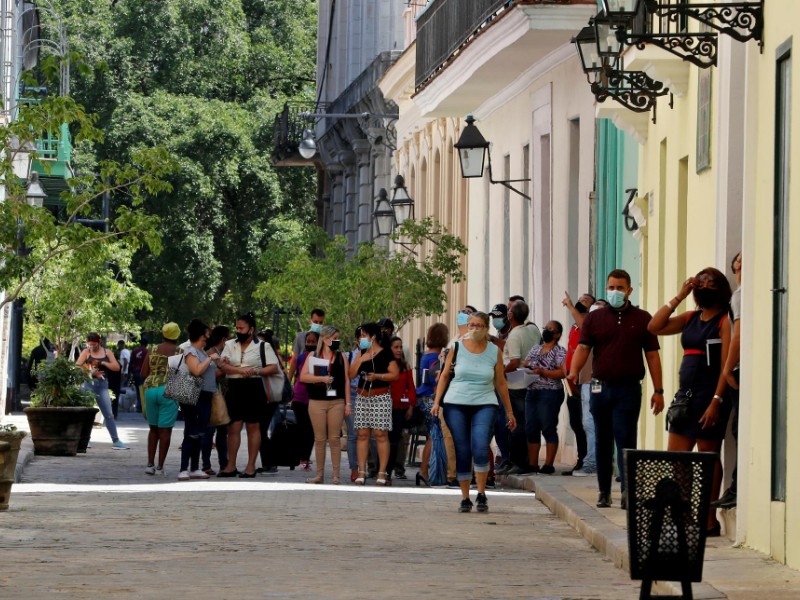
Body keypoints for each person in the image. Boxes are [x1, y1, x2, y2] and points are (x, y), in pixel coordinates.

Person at [568, 269, 664, 510]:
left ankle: (627, 492)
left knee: (626, 439)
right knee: (602, 440)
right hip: (601, 388)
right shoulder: (594, 319)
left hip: (629, 389)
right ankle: (603, 491)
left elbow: (652, 356)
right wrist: (573, 371)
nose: (615, 292)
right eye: (611, 287)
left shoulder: (643, 318)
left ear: (629, 290)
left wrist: (659, 390)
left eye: (620, 288)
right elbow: (583, 348)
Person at [647, 267, 733, 535]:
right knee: (678, 459)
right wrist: (680, 295)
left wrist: (717, 400)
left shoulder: (724, 321)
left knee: (708, 459)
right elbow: (654, 326)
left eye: (711, 282)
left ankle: (708, 519)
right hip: (685, 398)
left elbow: (725, 364)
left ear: (721, 288)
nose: (705, 285)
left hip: (710, 397)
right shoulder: (691, 317)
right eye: (701, 281)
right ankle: (684, 513)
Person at [432, 312, 517, 513]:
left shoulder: (493, 351)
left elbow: (501, 382)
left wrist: (510, 412)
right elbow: (444, 375)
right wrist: (437, 402)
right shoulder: (457, 347)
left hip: (485, 402)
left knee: (480, 445)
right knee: (462, 448)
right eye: (471, 325)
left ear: (486, 328)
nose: (474, 329)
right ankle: (464, 497)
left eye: (479, 325)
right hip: (456, 402)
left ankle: (481, 493)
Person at [218, 313, 279, 478]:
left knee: (253, 427)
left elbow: (273, 367)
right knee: (233, 427)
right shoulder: (230, 344)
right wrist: (240, 370)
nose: (238, 331)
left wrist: (256, 370)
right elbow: (223, 365)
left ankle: (251, 466)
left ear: (251, 329)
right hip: (234, 386)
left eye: (242, 328)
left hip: (254, 387)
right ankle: (231, 465)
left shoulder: (263, 346)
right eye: (237, 328)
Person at [348, 322, 399, 485]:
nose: (361, 339)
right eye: (360, 336)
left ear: (373, 336)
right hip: (362, 396)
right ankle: (361, 471)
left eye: (364, 335)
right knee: (362, 434)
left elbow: (395, 374)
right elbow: (350, 374)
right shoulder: (361, 352)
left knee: (380, 434)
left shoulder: (385, 353)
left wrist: (378, 376)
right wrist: (360, 359)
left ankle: (382, 473)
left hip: (381, 396)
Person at [300, 326, 351, 484]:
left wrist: (348, 403)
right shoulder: (313, 355)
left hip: (337, 401)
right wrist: (322, 379)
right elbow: (303, 377)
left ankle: (336, 475)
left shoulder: (342, 356)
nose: (337, 341)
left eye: (338, 338)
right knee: (320, 439)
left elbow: (347, 381)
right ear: (326, 338)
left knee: (334, 438)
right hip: (317, 401)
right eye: (335, 337)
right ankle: (319, 475)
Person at [499, 301, 541, 475]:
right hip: (529, 382)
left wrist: (500, 372)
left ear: (511, 316)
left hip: (515, 385)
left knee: (516, 424)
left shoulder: (515, 335)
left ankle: (519, 462)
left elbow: (514, 361)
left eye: (508, 311)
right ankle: (521, 461)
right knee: (525, 423)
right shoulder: (533, 329)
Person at [714, 251, 742, 510]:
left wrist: (727, 368)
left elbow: (738, 336)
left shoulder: (741, 296)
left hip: (739, 369)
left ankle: (737, 486)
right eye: (738, 264)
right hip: (739, 368)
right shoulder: (740, 295)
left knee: (739, 430)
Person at [522, 320, 567, 474]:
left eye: (550, 329)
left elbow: (563, 372)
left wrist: (544, 372)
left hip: (550, 392)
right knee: (531, 427)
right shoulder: (536, 348)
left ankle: (548, 464)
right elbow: (526, 363)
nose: (546, 330)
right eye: (545, 328)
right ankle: (533, 464)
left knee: (548, 426)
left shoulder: (560, 351)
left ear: (557, 334)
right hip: (532, 390)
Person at [178, 319, 218, 481]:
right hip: (194, 396)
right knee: (191, 432)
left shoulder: (202, 352)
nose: (209, 336)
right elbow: (196, 371)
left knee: (200, 433)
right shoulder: (191, 352)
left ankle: (194, 467)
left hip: (206, 395)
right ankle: (183, 468)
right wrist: (210, 359)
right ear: (202, 335)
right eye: (207, 333)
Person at [561, 292, 596, 475]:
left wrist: (570, 306)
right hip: (574, 381)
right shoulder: (574, 327)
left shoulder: (589, 322)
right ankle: (583, 458)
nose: (582, 301)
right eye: (580, 298)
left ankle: (589, 461)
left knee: (588, 422)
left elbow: (585, 326)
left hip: (588, 381)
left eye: (586, 300)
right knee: (577, 422)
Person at [76, 333, 128, 449]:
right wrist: (91, 371)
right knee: (86, 413)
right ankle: (85, 439)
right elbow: (78, 366)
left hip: (102, 385)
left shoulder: (107, 352)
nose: (92, 346)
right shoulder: (86, 352)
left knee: (108, 414)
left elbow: (116, 367)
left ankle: (116, 440)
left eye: (94, 344)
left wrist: (103, 363)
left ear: (99, 342)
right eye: (90, 344)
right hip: (88, 383)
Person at [141, 323, 180, 474]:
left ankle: (149, 465)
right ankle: (160, 466)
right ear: (177, 336)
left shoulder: (152, 349)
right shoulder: (180, 352)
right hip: (169, 391)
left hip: (150, 390)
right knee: (165, 431)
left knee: (153, 429)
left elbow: (143, 373)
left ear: (163, 334)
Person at [415, 323, 449, 486]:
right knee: (435, 435)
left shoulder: (425, 355)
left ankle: (424, 470)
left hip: (422, 397)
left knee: (431, 434)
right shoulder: (436, 357)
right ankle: (426, 470)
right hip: (431, 397)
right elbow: (435, 380)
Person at [386, 336, 416, 486]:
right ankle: (380, 469)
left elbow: (411, 387)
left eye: (400, 347)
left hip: (399, 408)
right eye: (395, 347)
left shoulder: (406, 366)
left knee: (394, 440)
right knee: (382, 438)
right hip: (384, 406)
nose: (398, 350)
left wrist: (410, 406)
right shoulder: (384, 364)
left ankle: (388, 472)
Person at [201, 325, 230, 475]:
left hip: (221, 396)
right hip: (212, 395)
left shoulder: (219, 352)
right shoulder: (210, 353)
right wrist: (226, 368)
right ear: (224, 338)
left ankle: (224, 464)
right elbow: (210, 374)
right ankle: (206, 464)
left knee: (222, 431)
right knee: (210, 430)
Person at [288, 330, 319, 472]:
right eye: (308, 341)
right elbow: (293, 373)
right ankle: (301, 459)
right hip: (300, 397)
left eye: (313, 341)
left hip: (314, 398)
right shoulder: (301, 357)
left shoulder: (321, 358)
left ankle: (305, 458)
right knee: (301, 429)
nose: (310, 344)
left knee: (310, 430)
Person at [129, 337, 150, 413]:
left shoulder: (135, 351)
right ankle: (144, 406)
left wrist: (130, 373)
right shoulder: (148, 352)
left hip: (136, 372)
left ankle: (139, 406)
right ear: (146, 344)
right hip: (145, 373)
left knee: (138, 389)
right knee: (145, 389)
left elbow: (131, 362)